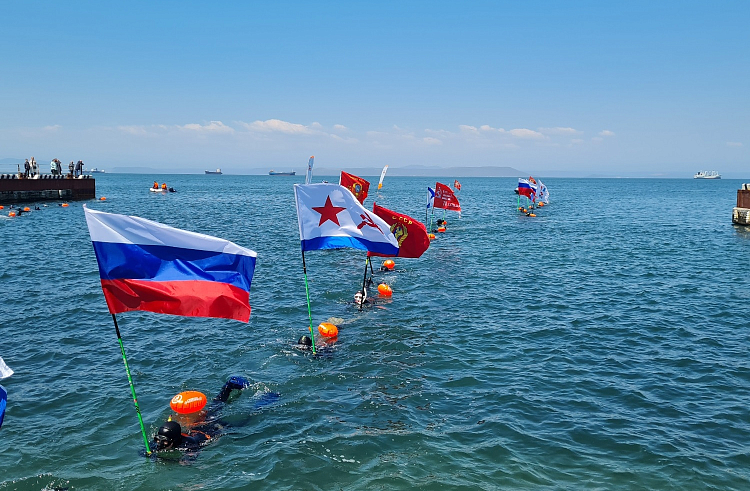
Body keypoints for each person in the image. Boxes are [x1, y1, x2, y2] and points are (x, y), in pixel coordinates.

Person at [153, 375, 278, 453]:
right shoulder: (165, 442)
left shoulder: (188, 445)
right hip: (199, 426)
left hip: (216, 430)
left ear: (174, 440)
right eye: (158, 440)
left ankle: (263, 401)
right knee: (216, 407)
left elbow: (187, 461)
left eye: (162, 441)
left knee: (245, 421)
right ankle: (228, 387)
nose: (159, 443)